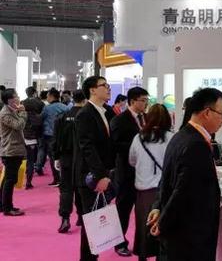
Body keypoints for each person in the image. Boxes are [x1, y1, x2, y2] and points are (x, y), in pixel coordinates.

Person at [148, 88, 222, 261]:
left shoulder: (180, 136)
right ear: (207, 112)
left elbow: (166, 179)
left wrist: (158, 207)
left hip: (180, 235)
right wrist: (163, 221)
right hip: (190, 237)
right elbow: (182, 191)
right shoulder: (196, 144)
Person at [74, 76, 116, 261]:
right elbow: (87, 147)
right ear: (92, 90)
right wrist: (100, 176)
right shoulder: (85, 114)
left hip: (106, 173)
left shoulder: (106, 111)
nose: (108, 88)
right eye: (104, 85)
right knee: (92, 223)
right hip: (91, 177)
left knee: (98, 220)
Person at [128, 103, 173, 261]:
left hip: (144, 192)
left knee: (143, 228)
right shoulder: (171, 138)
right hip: (165, 191)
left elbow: (132, 160)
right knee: (164, 230)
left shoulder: (138, 138)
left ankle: (143, 256)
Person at [110, 86, 150, 257]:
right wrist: (138, 145)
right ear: (132, 101)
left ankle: (144, 244)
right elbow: (114, 145)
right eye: (143, 100)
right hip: (126, 172)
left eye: (147, 100)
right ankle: (119, 242)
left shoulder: (147, 118)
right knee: (123, 209)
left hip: (146, 173)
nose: (146, 104)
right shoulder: (119, 120)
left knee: (144, 210)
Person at [53, 90, 86, 233]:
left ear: (73, 98)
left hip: (65, 157)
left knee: (66, 189)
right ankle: (81, 216)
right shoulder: (86, 116)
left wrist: (56, 156)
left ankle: (65, 218)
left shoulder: (63, 116)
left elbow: (56, 138)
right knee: (81, 188)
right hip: (82, 158)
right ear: (85, 99)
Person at [0, 89, 27, 216]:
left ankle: (3, 205)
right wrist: (23, 112)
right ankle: (7, 208)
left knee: (8, 179)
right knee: (10, 180)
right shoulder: (5, 113)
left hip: (14, 149)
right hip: (10, 150)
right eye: (16, 96)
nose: (18, 98)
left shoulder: (11, 110)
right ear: (10, 100)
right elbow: (19, 125)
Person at [37, 88, 69, 185]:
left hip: (50, 135)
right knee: (63, 156)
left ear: (51, 96)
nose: (47, 98)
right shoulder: (65, 107)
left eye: (48, 96)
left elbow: (40, 119)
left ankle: (57, 179)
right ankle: (64, 178)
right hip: (64, 135)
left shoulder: (47, 108)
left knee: (53, 157)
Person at [22, 86, 44, 188]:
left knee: (24, 159)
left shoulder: (22, 103)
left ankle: (20, 179)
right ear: (35, 92)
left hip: (22, 135)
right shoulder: (40, 103)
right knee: (31, 160)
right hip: (34, 135)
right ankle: (28, 182)